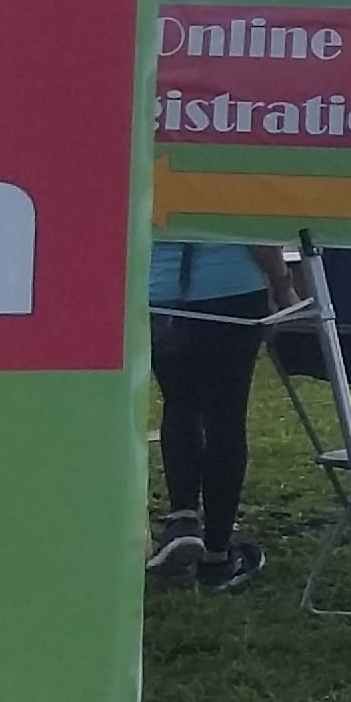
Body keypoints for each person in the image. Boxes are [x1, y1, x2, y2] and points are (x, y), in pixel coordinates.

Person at [145, 234, 274, 592]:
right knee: (226, 417)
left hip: (160, 288)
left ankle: (183, 517)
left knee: (179, 402)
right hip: (233, 288)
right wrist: (282, 281)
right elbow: (256, 227)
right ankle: (218, 555)